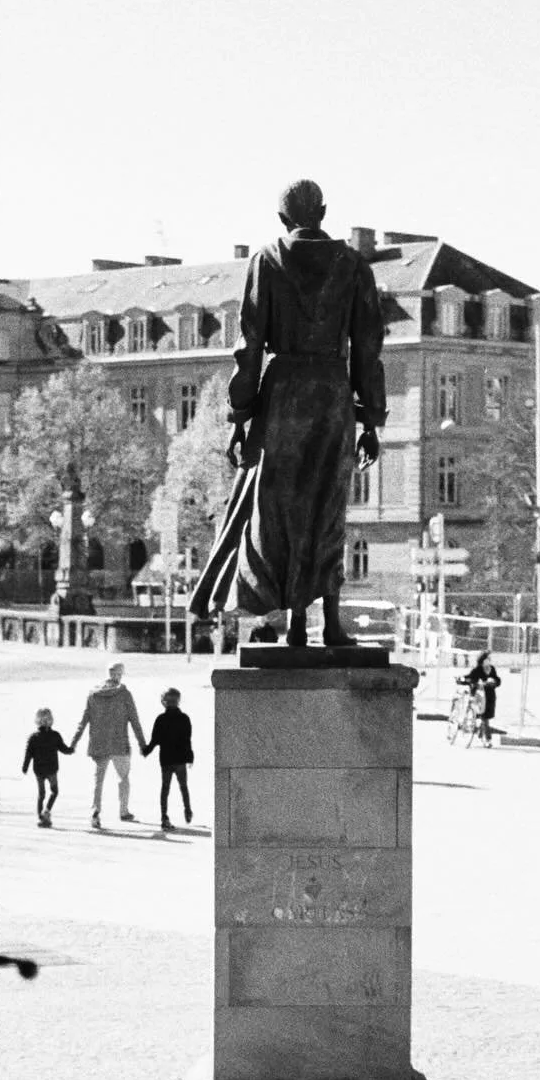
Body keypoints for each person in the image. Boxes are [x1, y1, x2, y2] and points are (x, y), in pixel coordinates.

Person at [188, 178, 387, 648]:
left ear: (283, 219)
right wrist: (371, 418)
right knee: (328, 509)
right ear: (324, 211)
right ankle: (330, 624)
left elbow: (250, 344)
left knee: (280, 512)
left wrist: (240, 416)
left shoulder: (267, 260)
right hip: (332, 394)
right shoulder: (354, 266)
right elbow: (368, 347)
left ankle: (296, 624)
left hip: (282, 398)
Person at [72, 662, 146, 829]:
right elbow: (135, 721)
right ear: (119, 674)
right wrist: (143, 744)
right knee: (124, 778)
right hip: (120, 744)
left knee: (98, 780)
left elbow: (83, 721)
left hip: (99, 744)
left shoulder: (93, 694)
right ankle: (123, 811)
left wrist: (74, 742)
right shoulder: (124, 694)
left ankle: (95, 811)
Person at [141, 688, 195, 830]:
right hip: (180, 760)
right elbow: (187, 740)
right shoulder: (185, 719)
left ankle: (164, 816)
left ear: (164, 702)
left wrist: (146, 751)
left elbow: (154, 740)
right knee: (183, 787)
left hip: (166, 760)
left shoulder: (160, 719)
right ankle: (188, 810)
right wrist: (190, 757)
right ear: (178, 701)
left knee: (165, 788)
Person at [21, 708, 74, 826]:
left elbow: (28, 753)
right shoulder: (55, 735)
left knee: (41, 794)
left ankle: (40, 816)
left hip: (39, 770)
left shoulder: (33, 737)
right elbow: (63, 749)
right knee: (54, 791)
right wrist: (71, 750)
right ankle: (47, 810)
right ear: (51, 721)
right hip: (51, 769)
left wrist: (25, 767)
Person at [463, 651, 503, 748]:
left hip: (490, 696)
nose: (488, 661)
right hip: (479, 696)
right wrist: (472, 682)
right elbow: (470, 678)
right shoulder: (477, 670)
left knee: (486, 717)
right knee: (484, 717)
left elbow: (497, 679)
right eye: (487, 659)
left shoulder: (492, 669)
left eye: (489, 659)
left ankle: (481, 734)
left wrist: (494, 682)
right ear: (482, 660)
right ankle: (487, 738)